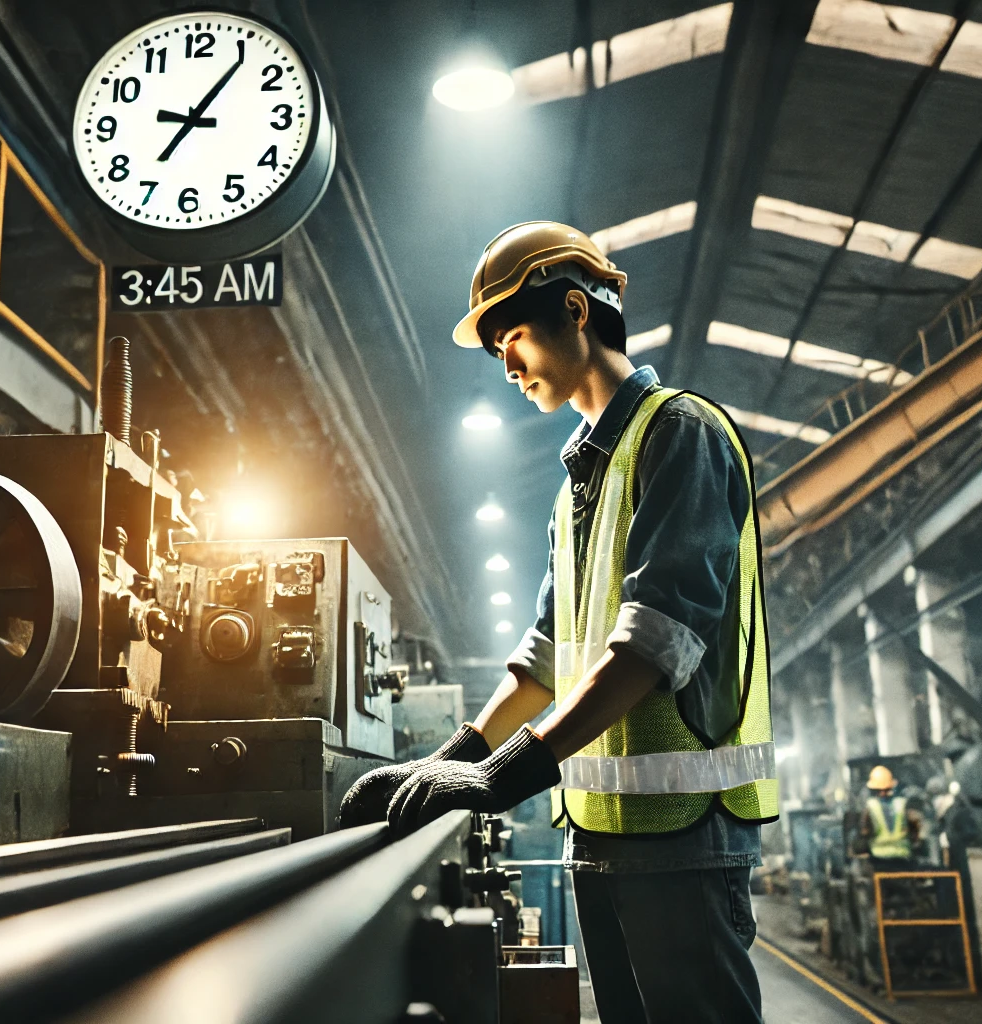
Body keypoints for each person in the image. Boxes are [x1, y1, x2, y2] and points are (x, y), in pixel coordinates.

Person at [340, 221, 778, 1024]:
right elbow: (544, 658)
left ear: (575, 310)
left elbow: (654, 642)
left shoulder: (678, 432)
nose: (506, 366)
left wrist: (502, 777)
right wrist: (452, 758)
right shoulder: (578, 480)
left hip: (684, 839)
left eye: (512, 338)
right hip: (601, 835)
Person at [860, 764, 924, 873]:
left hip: (879, 859)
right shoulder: (902, 804)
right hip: (904, 857)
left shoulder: (870, 807)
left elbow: (864, 832)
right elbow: (916, 829)